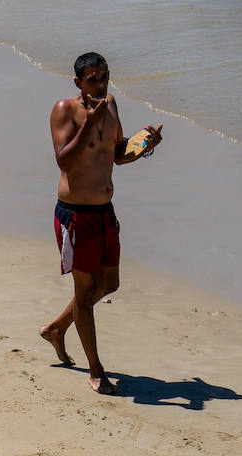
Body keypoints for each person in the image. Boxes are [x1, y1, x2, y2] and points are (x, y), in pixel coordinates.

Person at [40, 51, 163, 395]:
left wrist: (143, 144)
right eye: (92, 79)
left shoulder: (110, 105)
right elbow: (63, 161)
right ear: (78, 83)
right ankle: (95, 371)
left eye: (105, 77)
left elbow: (117, 154)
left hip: (104, 211)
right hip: (76, 216)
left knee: (109, 283)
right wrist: (89, 124)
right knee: (84, 291)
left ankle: (57, 328)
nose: (101, 84)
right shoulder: (64, 110)